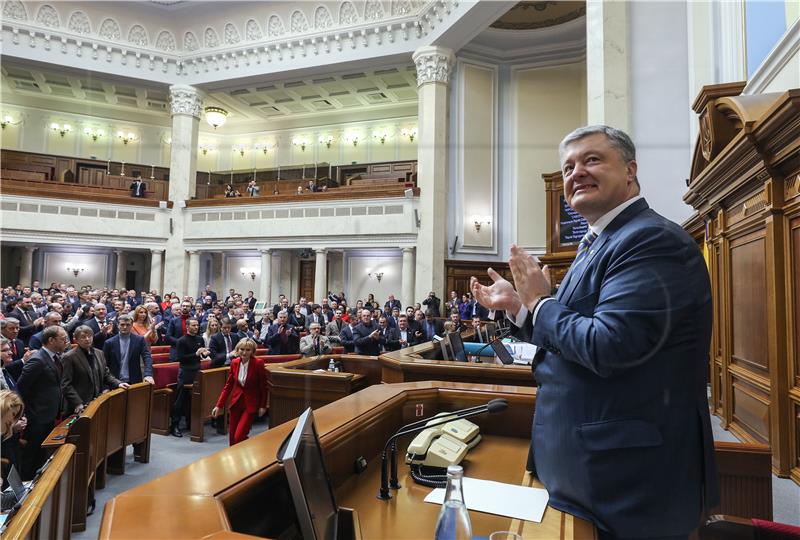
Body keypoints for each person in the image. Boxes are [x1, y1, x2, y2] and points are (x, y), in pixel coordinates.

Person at [471, 125, 719, 539]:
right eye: (568, 166)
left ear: (630, 171)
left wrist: (540, 303)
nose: (576, 173)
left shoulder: (650, 240)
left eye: (592, 160)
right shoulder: (600, 243)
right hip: (595, 468)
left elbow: (609, 345)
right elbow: (569, 338)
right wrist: (519, 306)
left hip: (628, 481)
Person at [16, 325, 69, 479]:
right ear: (51, 340)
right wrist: (28, 413)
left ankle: (38, 483)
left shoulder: (54, 357)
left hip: (49, 413)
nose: (66, 341)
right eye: (63, 339)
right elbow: (21, 388)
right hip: (37, 416)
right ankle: (26, 485)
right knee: (32, 455)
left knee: (41, 454)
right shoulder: (37, 360)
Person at [61, 325, 128, 415]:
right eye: (83, 337)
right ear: (76, 339)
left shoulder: (99, 353)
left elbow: (106, 375)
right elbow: (66, 384)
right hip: (78, 405)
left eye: (89, 336)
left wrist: (118, 383)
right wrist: (77, 402)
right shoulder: (68, 357)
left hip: (96, 402)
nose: (87, 339)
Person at [211, 338, 267, 446]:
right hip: (236, 403)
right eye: (242, 349)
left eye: (248, 350)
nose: (244, 352)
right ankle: (235, 461)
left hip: (250, 404)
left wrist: (263, 406)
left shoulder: (258, 363)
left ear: (252, 351)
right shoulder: (234, 363)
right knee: (232, 439)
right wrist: (218, 406)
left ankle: (247, 453)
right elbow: (228, 387)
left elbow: (263, 387)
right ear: (237, 350)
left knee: (239, 436)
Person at [171, 318, 209, 437]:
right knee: (180, 399)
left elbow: (200, 356)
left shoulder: (199, 339)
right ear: (187, 327)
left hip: (196, 370)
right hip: (185, 371)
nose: (196, 327)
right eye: (193, 325)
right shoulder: (181, 340)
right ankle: (175, 425)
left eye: (197, 325)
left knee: (194, 398)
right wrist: (196, 354)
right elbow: (181, 358)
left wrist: (204, 354)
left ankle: (190, 423)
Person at [103, 315, 154, 385]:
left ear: (132, 325)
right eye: (122, 324)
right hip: (115, 381)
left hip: (134, 380)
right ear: (117, 325)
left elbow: (147, 357)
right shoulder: (109, 342)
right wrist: (105, 386)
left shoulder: (139, 340)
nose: (125, 327)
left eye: (128, 325)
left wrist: (148, 374)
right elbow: (104, 365)